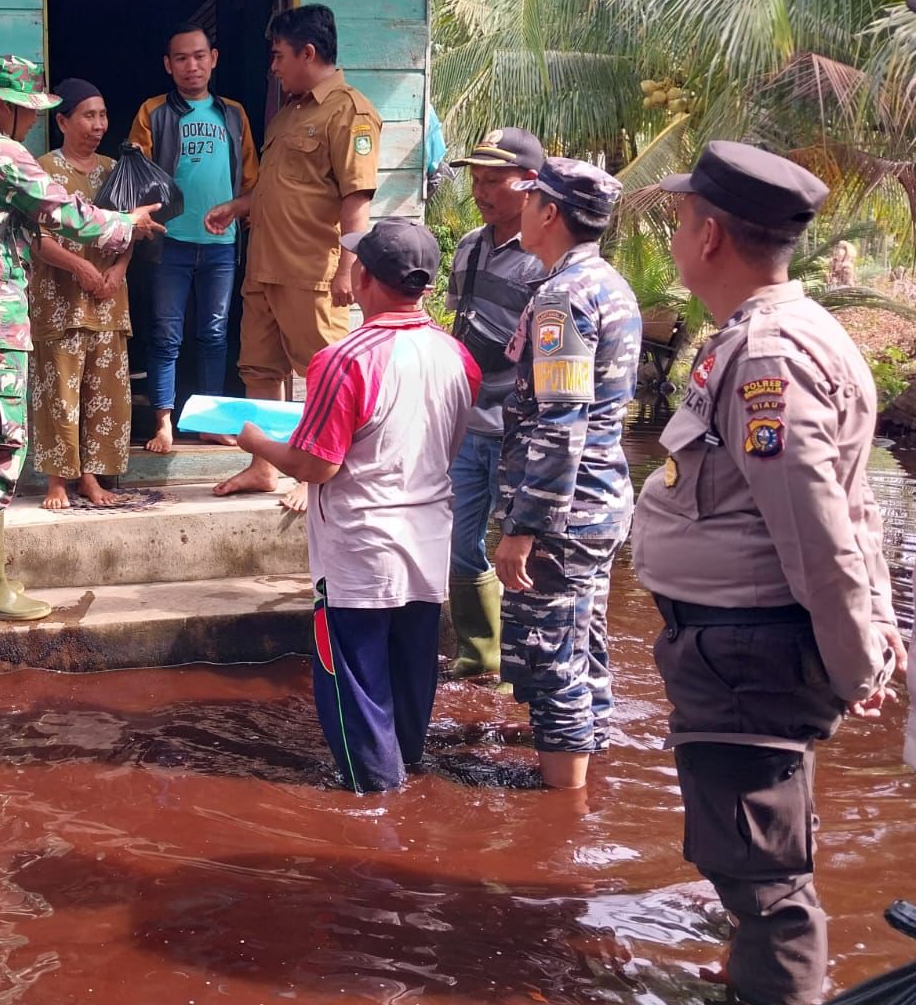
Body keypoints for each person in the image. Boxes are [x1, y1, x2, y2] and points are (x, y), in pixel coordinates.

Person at [632, 141, 906, 1005]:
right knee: (754, 851)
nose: (676, 233)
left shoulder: (769, 360)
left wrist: (858, 652)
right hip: (739, 650)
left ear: (710, 237)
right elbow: (856, 509)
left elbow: (819, 527)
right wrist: (873, 630)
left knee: (764, 886)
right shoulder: (783, 334)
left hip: (746, 655)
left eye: (681, 220)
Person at [0, 55, 167, 621]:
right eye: (29, 112)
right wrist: (126, 224)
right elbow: (65, 214)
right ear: (6, 106)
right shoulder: (0, 154)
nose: (31, 123)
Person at [237, 220, 479, 790]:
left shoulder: (343, 359)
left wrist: (256, 444)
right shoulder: (457, 355)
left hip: (359, 548)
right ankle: (410, 774)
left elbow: (317, 466)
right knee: (411, 672)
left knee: (354, 683)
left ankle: (373, 795)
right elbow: (449, 442)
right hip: (427, 539)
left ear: (364, 276)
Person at [491, 157, 641, 790]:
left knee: (553, 658)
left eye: (529, 201)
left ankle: (564, 815)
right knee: (585, 640)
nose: (518, 210)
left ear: (549, 213)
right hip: (600, 501)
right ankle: (586, 778)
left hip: (565, 510)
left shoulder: (561, 299)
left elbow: (560, 420)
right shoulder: (608, 283)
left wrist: (524, 525)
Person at [205, 4, 383, 512]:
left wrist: (351, 266)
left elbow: (356, 200)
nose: (274, 66)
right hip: (265, 267)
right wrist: (237, 207)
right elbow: (281, 190)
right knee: (259, 369)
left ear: (309, 52)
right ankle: (266, 468)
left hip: (311, 270)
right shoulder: (289, 113)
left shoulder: (350, 111)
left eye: (279, 55)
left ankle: (318, 471)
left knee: (324, 374)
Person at [127, 23, 261, 452]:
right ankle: (163, 422)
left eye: (200, 56)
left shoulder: (233, 114)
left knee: (214, 335)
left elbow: (252, 181)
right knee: (166, 334)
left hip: (221, 248)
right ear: (168, 65)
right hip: (170, 244)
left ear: (214, 58)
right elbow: (134, 174)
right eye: (181, 58)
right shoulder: (153, 112)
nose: (192, 65)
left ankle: (210, 420)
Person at [442, 128, 546, 678]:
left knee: (521, 547)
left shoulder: (543, 263)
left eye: (492, 181)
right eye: (475, 180)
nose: (480, 191)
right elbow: (458, 326)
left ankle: (524, 666)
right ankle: (477, 653)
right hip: (470, 423)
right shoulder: (468, 248)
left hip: (518, 430)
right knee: (461, 539)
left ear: (529, 186)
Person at [28, 79, 132, 509]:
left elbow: (131, 231)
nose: (98, 125)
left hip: (109, 299)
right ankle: (57, 481)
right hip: (60, 300)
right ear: (63, 121)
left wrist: (118, 270)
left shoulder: (115, 169)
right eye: (88, 115)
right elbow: (35, 236)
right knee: (60, 390)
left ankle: (90, 477)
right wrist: (82, 266)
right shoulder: (42, 170)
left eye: (102, 115)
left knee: (102, 390)